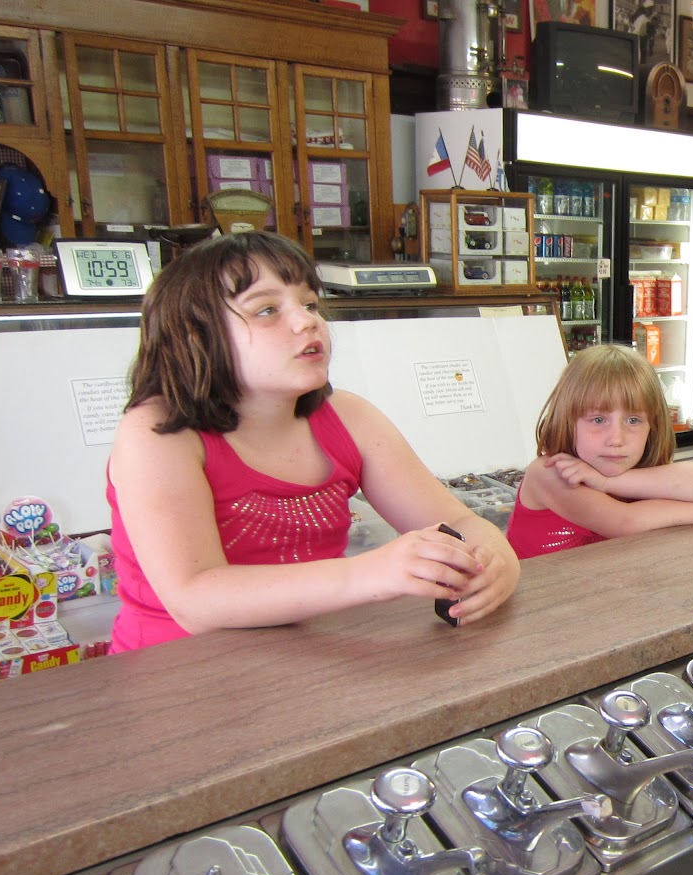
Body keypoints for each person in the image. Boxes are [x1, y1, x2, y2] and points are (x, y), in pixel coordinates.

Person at [106, 232, 521, 652]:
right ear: (194, 337)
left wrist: (495, 558)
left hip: (315, 657)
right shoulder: (157, 433)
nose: (308, 321)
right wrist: (369, 573)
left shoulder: (350, 417)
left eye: (309, 304)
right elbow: (195, 599)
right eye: (267, 309)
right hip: (174, 675)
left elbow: (463, 524)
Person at [507, 344, 693, 558]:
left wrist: (606, 482)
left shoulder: (634, 470)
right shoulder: (550, 472)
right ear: (568, 422)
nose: (616, 439)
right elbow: (624, 521)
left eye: (633, 421)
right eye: (598, 420)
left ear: (652, 427)